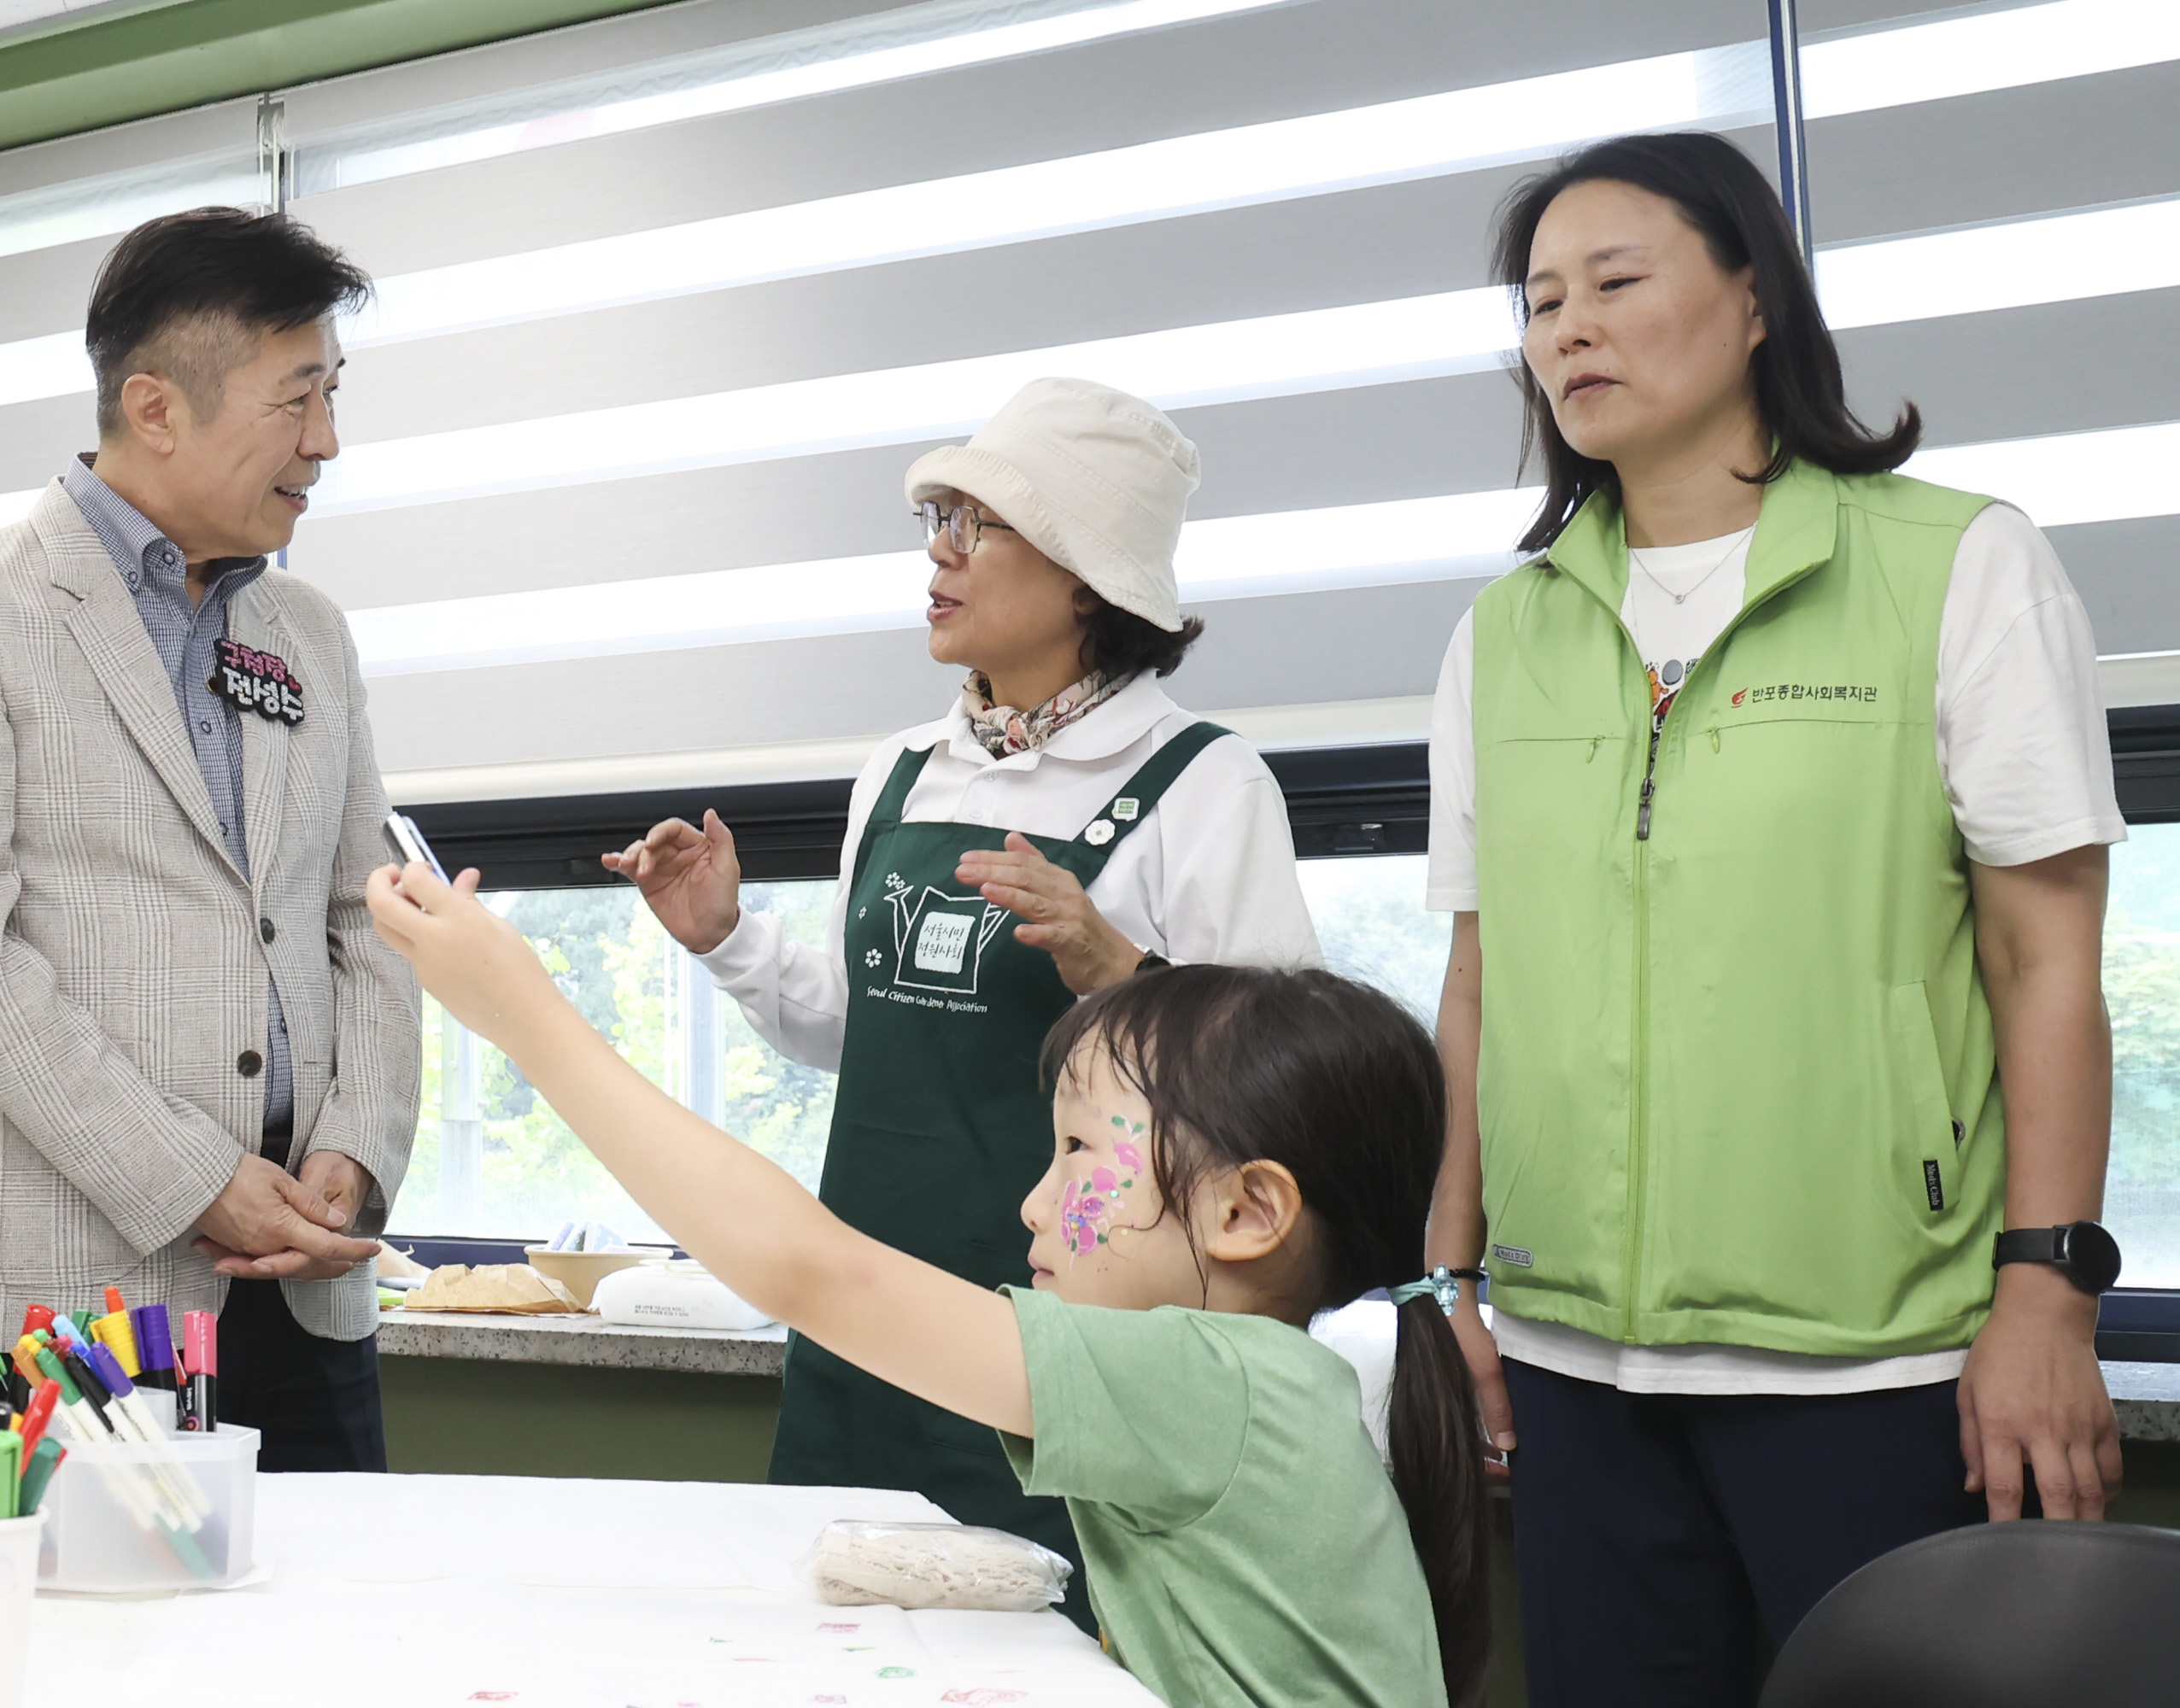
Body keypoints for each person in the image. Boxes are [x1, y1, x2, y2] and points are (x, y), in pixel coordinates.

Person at [1423, 132, 2126, 1704]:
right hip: (1569, 1372)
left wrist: (2047, 1295)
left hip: (1879, 1369)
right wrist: (1446, 1280)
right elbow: (1481, 978)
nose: (1568, 331)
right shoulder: (1504, 631)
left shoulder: (1956, 563)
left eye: (1614, 281)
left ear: (1755, 301)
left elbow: (2043, 958)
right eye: (1540, 304)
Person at [372, 862, 1486, 1708]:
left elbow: (819, 1272)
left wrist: (526, 1018)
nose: (1035, 1206)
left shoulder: (1223, 1385)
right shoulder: (1267, 1381)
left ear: (1248, 1213)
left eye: (1082, 1158)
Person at [601, 377, 1321, 1608]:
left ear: (1091, 575)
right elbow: (859, 1028)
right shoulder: (899, 773)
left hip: (1078, 1352)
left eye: (976, 524)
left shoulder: (1204, 783)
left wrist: (1117, 975)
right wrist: (725, 938)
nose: (939, 550)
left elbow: (1286, 1094)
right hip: (862, 1319)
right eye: (939, 517)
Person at [0, 208, 422, 1471]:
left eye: (333, 394)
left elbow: (364, 912)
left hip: (303, 1284)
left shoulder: (310, 633)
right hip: (58, 1295)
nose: (325, 441)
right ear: (156, 407)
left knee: (324, 1653)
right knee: (80, 1655)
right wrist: (194, 1177)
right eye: (296, 399)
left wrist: (355, 1154)